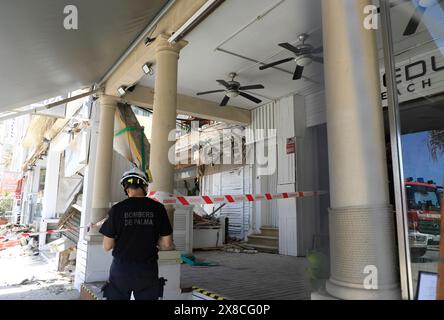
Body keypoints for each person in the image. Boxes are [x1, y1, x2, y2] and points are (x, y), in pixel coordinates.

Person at [99, 167, 174, 300]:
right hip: (147, 269)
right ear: (144, 186)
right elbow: (167, 244)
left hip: (121, 270)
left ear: (126, 188)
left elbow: (106, 246)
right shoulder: (158, 208)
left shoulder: (117, 210)